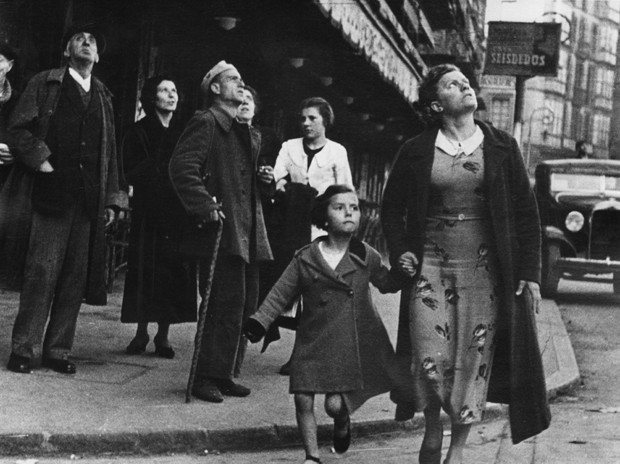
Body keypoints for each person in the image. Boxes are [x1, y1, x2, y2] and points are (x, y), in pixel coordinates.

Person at [381, 64, 550, 464]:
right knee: (429, 351)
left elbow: (527, 215)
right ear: (437, 103)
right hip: (430, 269)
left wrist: (530, 274)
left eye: (466, 81)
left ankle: (457, 449)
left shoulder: (503, 147)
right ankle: (433, 423)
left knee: (472, 358)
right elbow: (392, 208)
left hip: (486, 273)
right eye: (453, 83)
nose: (466, 85)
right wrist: (401, 249)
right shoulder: (417, 149)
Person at [244, 185, 409, 464]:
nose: (349, 212)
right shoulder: (306, 257)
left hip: (347, 342)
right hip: (312, 338)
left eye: (354, 208)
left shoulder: (364, 254)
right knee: (303, 399)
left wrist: (403, 272)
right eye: (340, 207)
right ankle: (312, 456)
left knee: (333, 405)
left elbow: (386, 283)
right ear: (324, 216)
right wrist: (259, 322)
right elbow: (280, 293)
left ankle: (342, 420)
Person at [1, 24, 127, 375]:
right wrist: (41, 159)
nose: (87, 42)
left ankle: (58, 350)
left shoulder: (103, 95)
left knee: (73, 278)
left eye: (93, 41)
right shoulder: (46, 83)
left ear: (97, 56)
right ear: (67, 52)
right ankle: (23, 349)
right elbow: (17, 128)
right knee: (41, 272)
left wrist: (114, 199)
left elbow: (110, 152)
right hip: (50, 196)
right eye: (79, 39)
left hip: (87, 200)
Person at [169, 61, 274, 403]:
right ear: (215, 88)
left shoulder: (241, 128)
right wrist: (205, 206)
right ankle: (204, 377)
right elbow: (182, 168)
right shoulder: (207, 121)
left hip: (246, 231)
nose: (240, 84)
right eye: (232, 80)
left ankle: (223, 373)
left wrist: (264, 180)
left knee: (241, 306)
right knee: (219, 306)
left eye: (241, 79)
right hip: (221, 231)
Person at [266, 97, 354, 374]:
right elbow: (277, 180)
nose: (305, 123)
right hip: (291, 226)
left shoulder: (337, 152)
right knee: (289, 286)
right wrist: (276, 181)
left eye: (312, 118)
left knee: (315, 294)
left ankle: (300, 355)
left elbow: (345, 191)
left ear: (325, 121)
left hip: (321, 229)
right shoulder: (289, 147)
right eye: (303, 118)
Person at [120, 74, 196, 359]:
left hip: (177, 212)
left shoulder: (184, 132)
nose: (171, 95)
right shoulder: (138, 131)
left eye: (174, 90)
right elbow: (132, 169)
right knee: (145, 269)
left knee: (172, 271)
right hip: (148, 210)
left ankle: (163, 336)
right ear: (153, 97)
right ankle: (141, 332)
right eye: (164, 90)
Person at [0, 42, 18, 189]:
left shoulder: (19, 99)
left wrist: (14, 151)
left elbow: (25, 133)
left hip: (6, 177)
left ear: (9, 66)